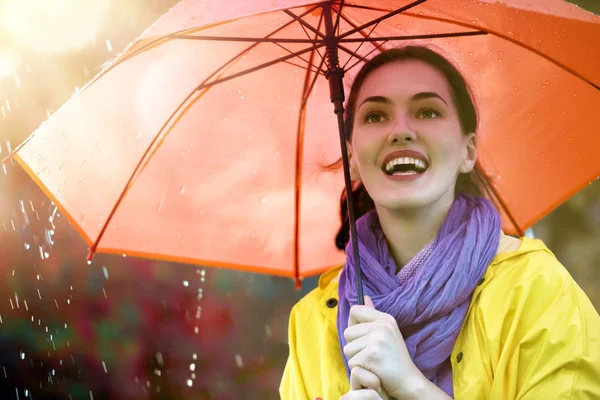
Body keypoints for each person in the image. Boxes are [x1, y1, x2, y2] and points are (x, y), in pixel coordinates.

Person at [279, 46, 600, 399]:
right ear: (352, 157)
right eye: (375, 116)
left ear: (468, 151)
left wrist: (412, 387)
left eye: (428, 111)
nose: (400, 131)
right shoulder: (313, 322)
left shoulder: (534, 289)